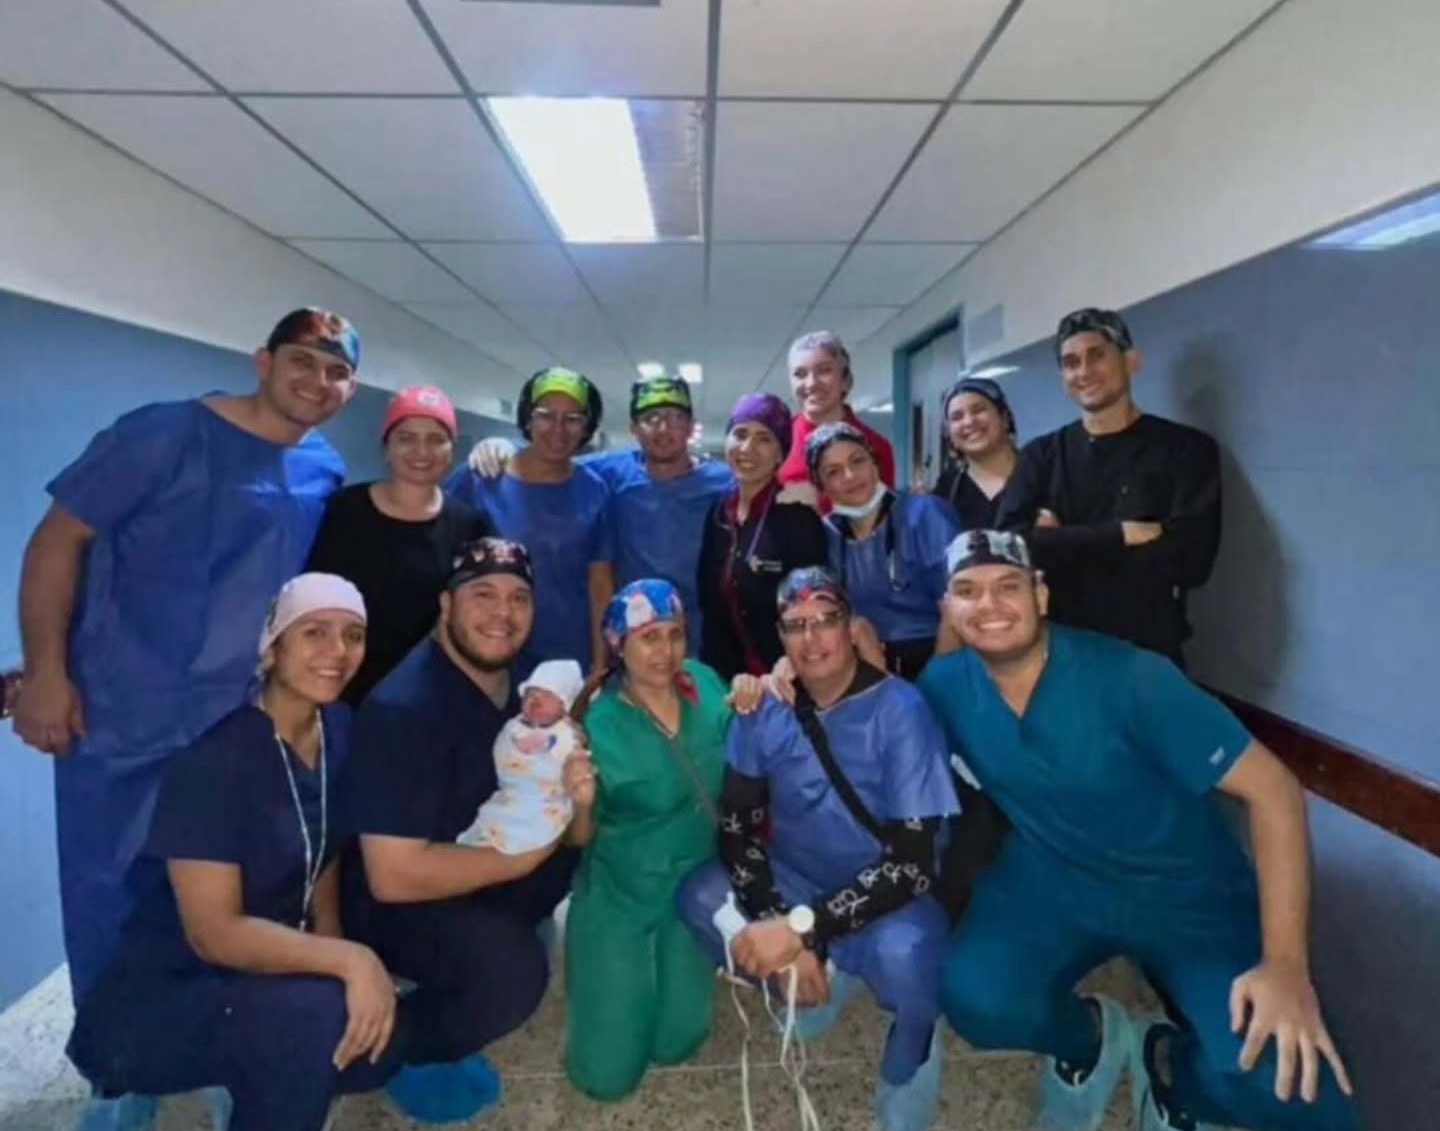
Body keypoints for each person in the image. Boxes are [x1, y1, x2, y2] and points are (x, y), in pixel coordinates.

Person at [12, 307, 359, 1131]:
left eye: (337, 371)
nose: (317, 381)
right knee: (109, 895)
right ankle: (115, 1067)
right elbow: (55, 543)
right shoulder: (161, 434)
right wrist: (46, 670)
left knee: (232, 899)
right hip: (120, 714)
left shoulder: (322, 467)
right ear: (263, 359)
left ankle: (216, 1049)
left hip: (237, 726)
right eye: (302, 361)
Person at [918, 530, 1356, 1131]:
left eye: (1007, 586)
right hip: (1053, 878)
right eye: (968, 591)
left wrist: (1285, 965)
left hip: (1185, 891)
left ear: (1041, 595)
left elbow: (1274, 791)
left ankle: (1177, 1074)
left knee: (1291, 1088)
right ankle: (1092, 1041)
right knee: (977, 999)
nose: (989, 604)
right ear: (948, 609)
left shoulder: (1132, 679)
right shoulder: (945, 688)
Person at [66, 574, 400, 1131]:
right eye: (314, 632)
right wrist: (351, 962)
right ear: (271, 649)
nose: (337, 651)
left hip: (257, 971)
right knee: (316, 1024)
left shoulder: (338, 729)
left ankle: (248, 1062)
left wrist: (336, 948)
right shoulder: (214, 763)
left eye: (353, 635)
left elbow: (324, 847)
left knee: (375, 1048)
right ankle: (192, 1070)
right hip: (167, 989)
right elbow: (213, 934)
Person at [678, 567, 959, 1131]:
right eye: (795, 625)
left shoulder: (901, 710)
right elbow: (737, 828)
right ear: (780, 636)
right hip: (798, 880)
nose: (811, 639)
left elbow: (911, 865)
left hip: (888, 899)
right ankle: (817, 973)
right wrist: (775, 920)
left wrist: (799, 929)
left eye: (826, 621)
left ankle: (913, 1052)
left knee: (910, 962)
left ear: (851, 627)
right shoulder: (765, 710)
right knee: (701, 896)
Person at [342, 537, 591, 1124]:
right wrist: (525, 859)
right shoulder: (404, 709)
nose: (502, 613)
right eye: (482, 595)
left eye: (518, 597)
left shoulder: (529, 687)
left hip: (476, 858)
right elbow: (393, 877)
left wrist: (578, 800)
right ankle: (389, 1046)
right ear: (446, 605)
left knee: (572, 858)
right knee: (513, 975)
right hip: (397, 898)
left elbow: (573, 830)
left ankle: (489, 938)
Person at [564, 580, 743, 1101]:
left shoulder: (705, 684)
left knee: (677, 1041)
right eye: (649, 638)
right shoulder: (597, 724)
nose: (666, 651)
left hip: (694, 888)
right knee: (606, 1077)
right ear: (619, 645)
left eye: (675, 634)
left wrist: (758, 692)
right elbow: (578, 838)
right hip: (621, 892)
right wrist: (581, 801)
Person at [995, 308, 1221, 665]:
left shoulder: (1185, 450)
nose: (1084, 371)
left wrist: (1056, 541)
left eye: (1097, 355)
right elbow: (1009, 547)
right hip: (1059, 649)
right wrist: (1120, 535)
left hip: (1147, 653)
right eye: (1071, 363)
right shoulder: (1042, 456)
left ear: (1131, 361)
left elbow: (1191, 562)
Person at [467, 373, 733, 653]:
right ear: (634, 428)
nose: (664, 428)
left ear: (691, 426)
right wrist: (504, 447)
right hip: (633, 638)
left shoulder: (724, 482)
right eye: (651, 418)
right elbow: (553, 457)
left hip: (703, 636)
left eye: (676, 417)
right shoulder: (612, 472)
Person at [306, 384, 491, 705]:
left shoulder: (468, 526)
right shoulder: (344, 509)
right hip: (339, 686)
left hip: (425, 697)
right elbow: (311, 599)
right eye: (406, 438)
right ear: (386, 446)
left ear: (451, 450)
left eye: (435, 439)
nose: (421, 451)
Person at [446, 367, 614, 674]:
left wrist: (600, 666)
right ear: (528, 418)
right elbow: (442, 569)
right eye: (546, 415)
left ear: (586, 427)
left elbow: (599, 586)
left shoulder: (594, 490)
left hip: (566, 660)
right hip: (487, 652)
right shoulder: (481, 479)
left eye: (573, 418)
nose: (558, 429)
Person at [808, 422, 961, 679]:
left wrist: (936, 680)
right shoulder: (826, 535)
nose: (850, 475)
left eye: (857, 461)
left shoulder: (924, 515)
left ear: (874, 463)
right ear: (821, 485)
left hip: (940, 657)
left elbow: (957, 609)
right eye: (833, 471)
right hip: (865, 666)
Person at [697, 393, 829, 681]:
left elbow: (814, 607)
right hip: (725, 680)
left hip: (786, 679)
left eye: (764, 439)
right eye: (740, 434)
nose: (747, 448)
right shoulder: (718, 514)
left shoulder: (798, 518)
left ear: (780, 454)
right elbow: (709, 605)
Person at [458, 659, 585, 854]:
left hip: (547, 798)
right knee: (495, 812)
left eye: (546, 695)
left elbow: (576, 768)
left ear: (564, 705)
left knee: (541, 819)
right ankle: (490, 837)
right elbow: (502, 753)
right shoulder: (514, 727)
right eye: (530, 693)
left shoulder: (566, 734)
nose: (535, 699)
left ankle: (520, 843)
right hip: (513, 792)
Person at [776, 331, 897, 510]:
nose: (811, 383)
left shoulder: (876, 446)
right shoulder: (776, 441)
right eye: (800, 374)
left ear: (845, 380)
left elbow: (885, 518)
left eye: (824, 371)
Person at [931, 376, 1019, 529]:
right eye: (957, 417)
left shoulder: (1042, 475)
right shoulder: (945, 490)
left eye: (978, 410)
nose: (969, 422)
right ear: (950, 436)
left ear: (1004, 419)